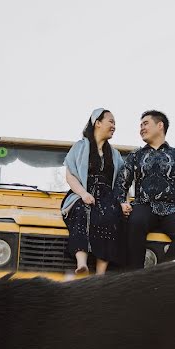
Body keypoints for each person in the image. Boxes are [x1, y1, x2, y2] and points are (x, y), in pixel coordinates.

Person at [115, 110, 175, 269]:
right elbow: (122, 182)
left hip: (172, 209)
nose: (141, 128)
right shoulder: (135, 155)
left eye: (145, 124)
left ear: (160, 125)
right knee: (134, 222)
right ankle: (135, 275)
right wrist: (121, 201)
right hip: (143, 206)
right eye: (140, 126)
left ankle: (162, 273)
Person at [62, 108, 125, 275]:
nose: (114, 126)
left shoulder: (115, 154)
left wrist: (122, 202)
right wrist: (83, 194)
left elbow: (121, 183)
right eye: (111, 121)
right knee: (81, 210)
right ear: (97, 122)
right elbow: (70, 176)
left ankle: (100, 273)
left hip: (107, 196)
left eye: (114, 123)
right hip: (81, 192)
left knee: (111, 214)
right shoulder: (80, 147)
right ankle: (81, 263)